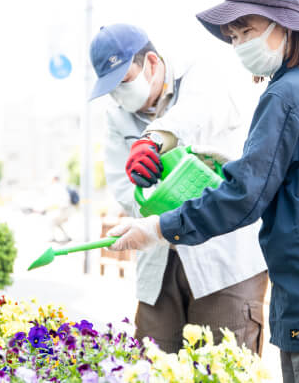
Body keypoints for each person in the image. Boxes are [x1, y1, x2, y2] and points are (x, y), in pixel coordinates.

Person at [107, 0, 299, 383]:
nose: (238, 44)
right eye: (234, 36)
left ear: (283, 25)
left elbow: (244, 195)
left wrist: (160, 228)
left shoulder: (288, 95)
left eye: (246, 31)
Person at [88, 23, 268, 355]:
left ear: (152, 63)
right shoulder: (117, 118)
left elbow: (199, 113)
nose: (118, 95)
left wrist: (153, 139)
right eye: (110, 88)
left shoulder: (202, 74)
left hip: (224, 262)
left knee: (223, 366)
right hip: (159, 264)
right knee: (153, 367)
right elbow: (124, 190)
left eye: (123, 81)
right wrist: (151, 206)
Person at [45, 175, 72, 243]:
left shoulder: (56, 187)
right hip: (64, 210)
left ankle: (53, 237)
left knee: (51, 221)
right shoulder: (61, 186)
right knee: (57, 223)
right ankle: (66, 236)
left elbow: (61, 200)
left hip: (62, 210)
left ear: (54, 179)